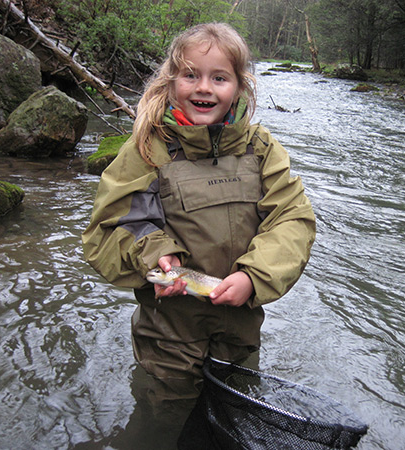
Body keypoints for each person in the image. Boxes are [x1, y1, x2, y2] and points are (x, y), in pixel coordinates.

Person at [82, 22, 316, 402]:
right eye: (191, 75)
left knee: (235, 408)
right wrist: (156, 253)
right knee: (165, 418)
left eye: (219, 78)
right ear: (172, 82)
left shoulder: (261, 149)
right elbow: (111, 225)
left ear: (240, 87)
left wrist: (254, 278)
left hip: (240, 333)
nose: (204, 87)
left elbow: (292, 221)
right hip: (168, 338)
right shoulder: (148, 148)